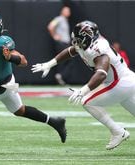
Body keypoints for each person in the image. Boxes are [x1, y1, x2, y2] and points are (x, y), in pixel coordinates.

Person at [32, 20, 135, 150]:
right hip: (127, 80)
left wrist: (83, 90)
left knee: (87, 101)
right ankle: (118, 132)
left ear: (87, 37)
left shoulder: (98, 48)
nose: (76, 42)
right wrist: (49, 64)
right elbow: (71, 51)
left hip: (119, 83)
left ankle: (118, 131)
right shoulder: (88, 43)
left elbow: (101, 73)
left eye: (78, 39)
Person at [0, 13, 67, 148]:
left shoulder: (2, 42)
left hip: (1, 85)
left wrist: (10, 57)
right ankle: (55, 122)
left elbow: (23, 61)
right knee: (20, 110)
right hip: (6, 82)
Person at [47, 6, 72, 85]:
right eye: (66, 11)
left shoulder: (65, 20)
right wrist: (55, 36)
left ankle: (60, 75)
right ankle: (59, 75)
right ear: (62, 11)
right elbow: (50, 26)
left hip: (66, 43)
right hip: (62, 43)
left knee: (67, 60)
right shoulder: (59, 19)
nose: (68, 12)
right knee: (64, 58)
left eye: (69, 11)